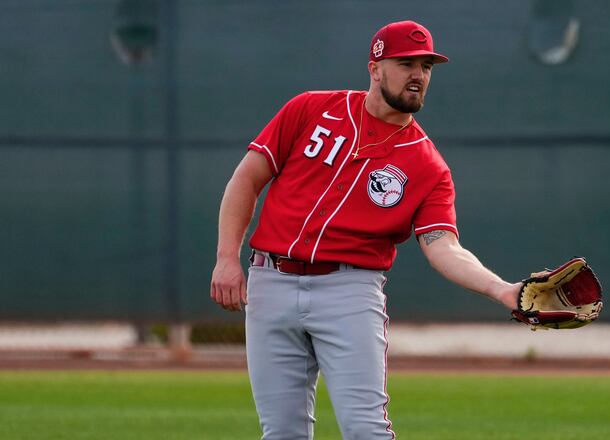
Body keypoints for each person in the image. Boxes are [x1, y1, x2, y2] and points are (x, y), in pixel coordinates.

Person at [210, 20, 521, 440]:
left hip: (348, 293)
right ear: (375, 68)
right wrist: (227, 258)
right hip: (271, 281)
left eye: (427, 66)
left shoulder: (428, 166)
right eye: (406, 63)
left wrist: (500, 289)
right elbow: (246, 179)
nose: (418, 74)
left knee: (366, 430)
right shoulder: (311, 109)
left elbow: (443, 246)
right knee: (281, 432)